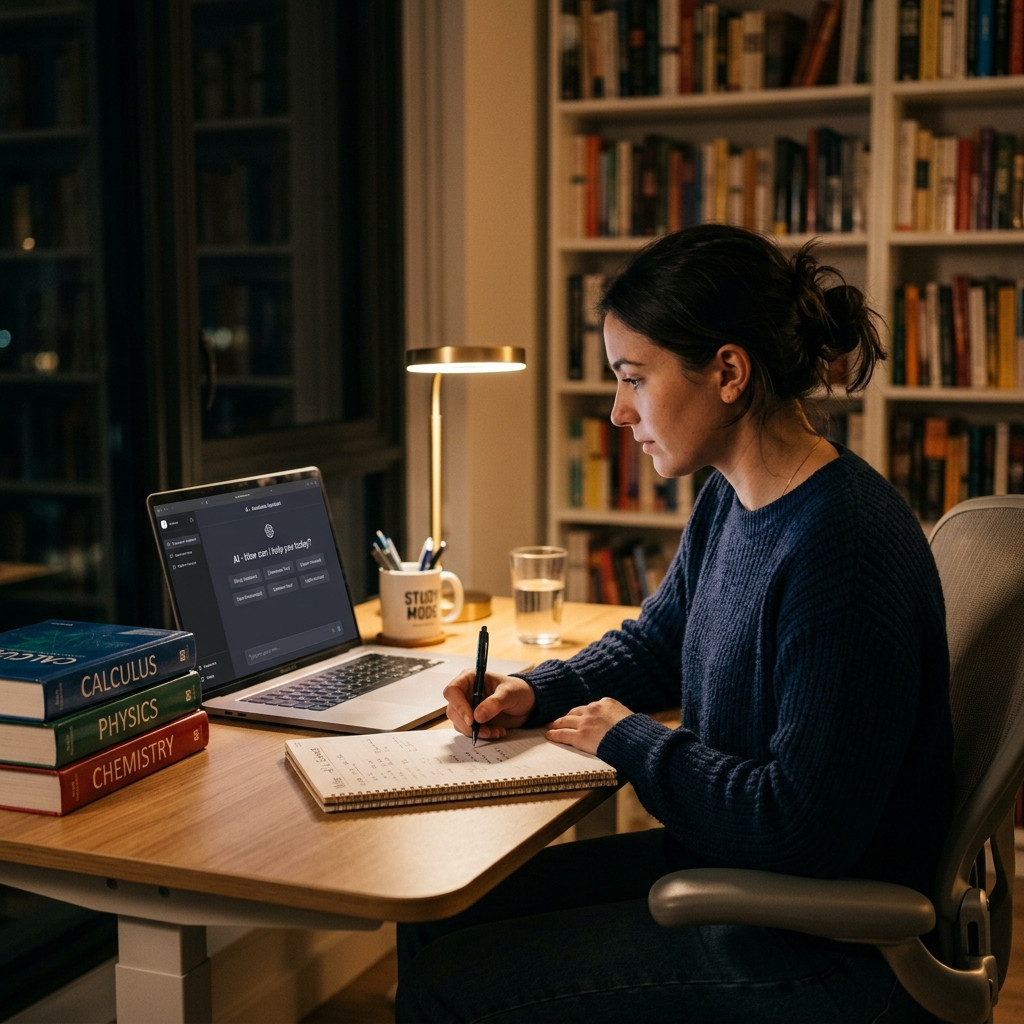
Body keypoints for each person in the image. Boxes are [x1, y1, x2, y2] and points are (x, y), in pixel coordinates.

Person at [395, 225, 954, 1023]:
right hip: (742, 875)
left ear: (728, 371)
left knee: (448, 988)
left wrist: (629, 739)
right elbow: (659, 643)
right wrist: (533, 689)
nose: (620, 412)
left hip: (824, 943)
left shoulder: (844, 547)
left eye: (634, 378)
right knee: (440, 918)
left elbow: (803, 827)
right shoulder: (733, 493)